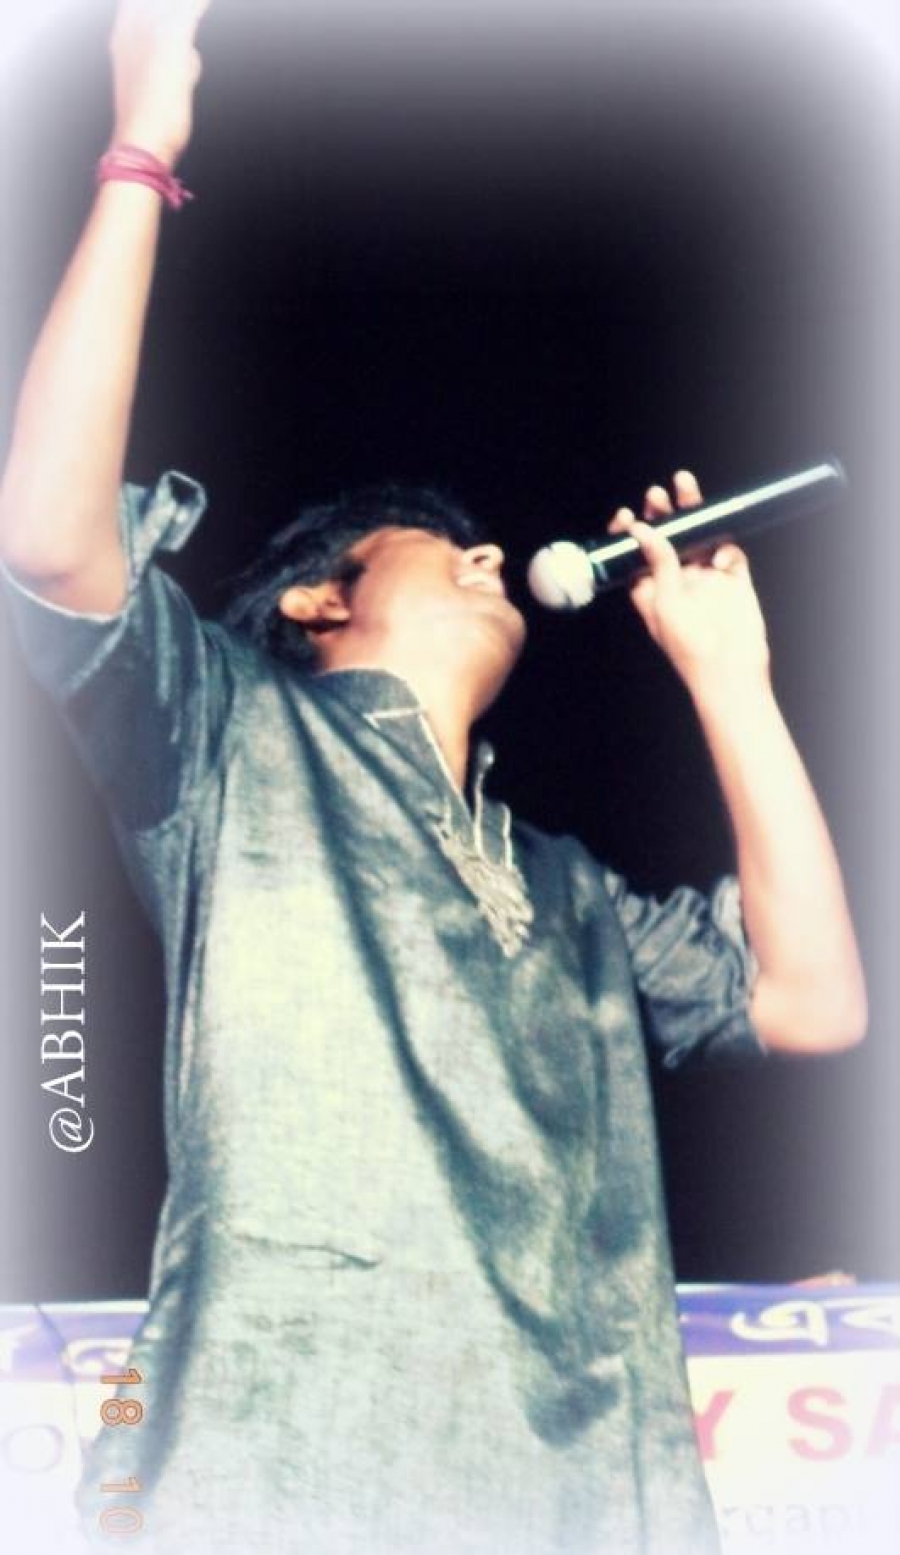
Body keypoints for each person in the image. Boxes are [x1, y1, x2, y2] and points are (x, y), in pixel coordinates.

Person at [0, 2, 866, 1553]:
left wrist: (732, 680)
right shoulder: (225, 740)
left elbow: (813, 1001)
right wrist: (141, 150)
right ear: (317, 601)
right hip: (280, 1476)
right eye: (432, 538)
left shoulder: (567, 888)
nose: (485, 551)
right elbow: (53, 541)